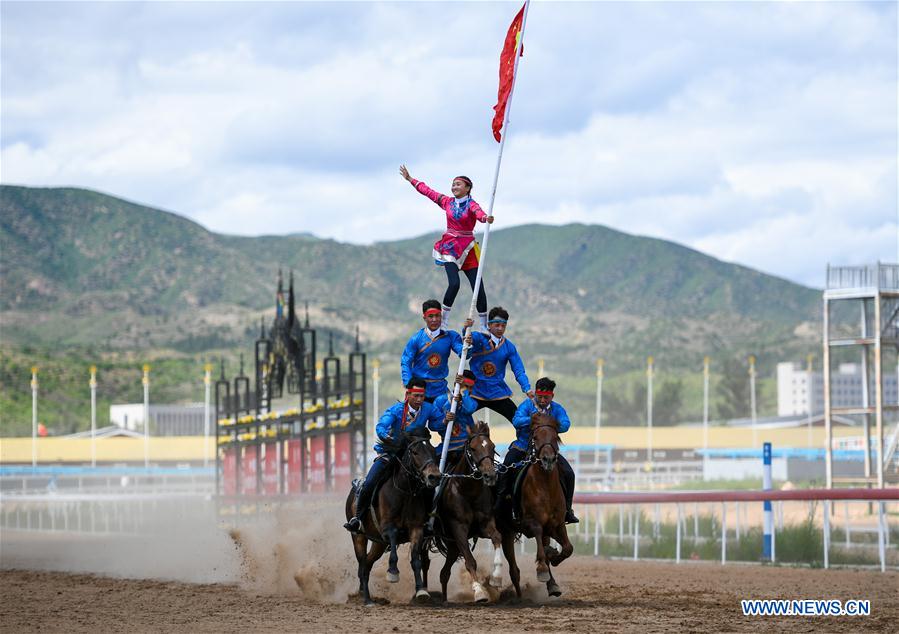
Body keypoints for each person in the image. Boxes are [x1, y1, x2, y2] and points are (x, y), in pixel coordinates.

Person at [400, 165, 494, 331]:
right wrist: (410, 179)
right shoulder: (447, 202)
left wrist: (486, 218)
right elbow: (428, 191)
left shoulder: (472, 204)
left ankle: (483, 325)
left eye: (458, 184)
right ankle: (444, 321)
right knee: (454, 284)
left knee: (478, 286)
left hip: (469, 248)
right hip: (450, 247)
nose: (454, 187)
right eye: (453, 184)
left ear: (467, 188)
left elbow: (479, 213)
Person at [344, 379, 443, 533]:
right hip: (391, 452)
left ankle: (428, 521)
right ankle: (357, 518)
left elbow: (438, 424)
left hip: (414, 455)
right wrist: (386, 436)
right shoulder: (396, 410)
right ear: (408, 394)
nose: (419, 400)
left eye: (422, 396)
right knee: (370, 482)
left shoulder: (429, 408)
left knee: (432, 484)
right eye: (416, 396)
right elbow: (381, 426)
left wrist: (446, 419)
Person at [496, 377, 579, 524]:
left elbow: (566, 424)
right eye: (539, 397)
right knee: (504, 469)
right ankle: (501, 505)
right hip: (522, 447)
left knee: (569, 474)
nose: (542, 400)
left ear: (552, 396)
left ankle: (567, 509)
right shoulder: (527, 406)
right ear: (535, 394)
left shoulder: (557, 409)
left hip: (547, 450)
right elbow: (516, 421)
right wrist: (532, 420)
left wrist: (548, 423)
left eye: (546, 397)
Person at [468, 306, 533, 423]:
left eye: (503, 326)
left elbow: (519, 371)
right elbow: (469, 337)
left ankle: (524, 441)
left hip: (497, 392)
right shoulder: (480, 338)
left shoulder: (509, 347)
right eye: (497, 325)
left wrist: (527, 388)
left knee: (520, 422)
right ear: (489, 325)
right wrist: (466, 329)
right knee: (456, 419)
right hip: (475, 391)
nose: (500, 328)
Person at [400, 299, 470, 403]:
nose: (434, 319)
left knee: (447, 417)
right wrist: (409, 383)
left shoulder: (451, 337)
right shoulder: (416, 339)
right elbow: (405, 361)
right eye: (431, 316)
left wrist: (467, 342)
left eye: (437, 316)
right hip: (419, 390)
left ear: (441, 317)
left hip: (440, 390)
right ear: (424, 317)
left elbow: (465, 354)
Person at [430, 370, 479, 467]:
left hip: (466, 447)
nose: (468, 390)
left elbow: (469, 409)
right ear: (456, 384)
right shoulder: (440, 400)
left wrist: (463, 392)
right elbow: (432, 426)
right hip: (446, 447)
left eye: (470, 388)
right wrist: (445, 420)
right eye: (465, 386)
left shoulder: (471, 402)